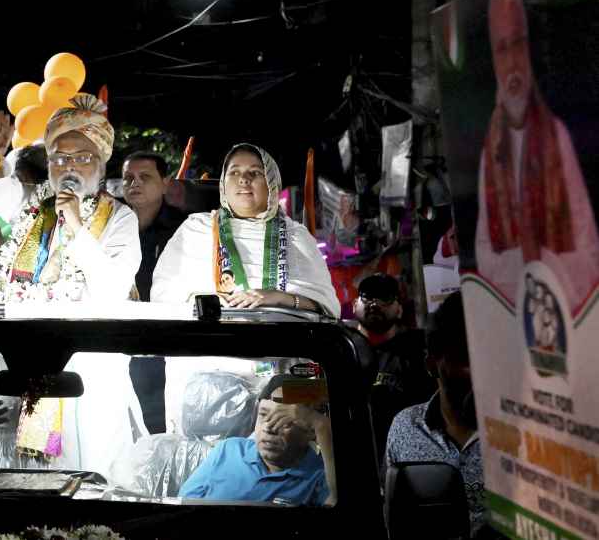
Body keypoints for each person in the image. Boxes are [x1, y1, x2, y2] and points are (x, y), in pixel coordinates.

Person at [475, 0, 599, 310]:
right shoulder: (491, 151)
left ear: (529, 51)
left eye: (518, 45)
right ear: (493, 57)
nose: (513, 63)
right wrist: (522, 259)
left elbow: (589, 252)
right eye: (503, 49)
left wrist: (543, 259)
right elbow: (483, 256)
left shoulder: (555, 136)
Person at [0, 94, 141, 304]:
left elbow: (112, 291)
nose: (70, 166)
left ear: (101, 166)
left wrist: (76, 226)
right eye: (60, 158)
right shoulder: (35, 203)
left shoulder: (120, 217)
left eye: (82, 157)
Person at [151, 143, 339, 317]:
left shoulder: (297, 235)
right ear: (224, 184)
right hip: (206, 344)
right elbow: (163, 293)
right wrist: (203, 300)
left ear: (272, 184)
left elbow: (327, 306)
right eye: (234, 172)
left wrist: (279, 298)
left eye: (255, 172)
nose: (243, 179)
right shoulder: (196, 228)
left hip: (282, 346)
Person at [385, 292, 485, 536]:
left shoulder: (529, 433)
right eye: (466, 358)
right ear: (432, 363)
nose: (483, 372)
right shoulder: (405, 428)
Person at [178, 374, 336, 506]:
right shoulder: (228, 449)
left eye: (283, 420)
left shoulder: (321, 476)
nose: (268, 427)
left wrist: (321, 424)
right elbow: (184, 501)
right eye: (263, 415)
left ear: (309, 432)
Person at [122, 151, 186, 434]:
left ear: (165, 182)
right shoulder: (113, 224)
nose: (134, 183)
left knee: (160, 427)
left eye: (145, 177)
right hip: (118, 338)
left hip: (165, 340)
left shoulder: (184, 228)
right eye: (128, 178)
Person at [353, 273, 435, 463]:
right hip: (356, 457)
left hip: (409, 457)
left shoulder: (418, 348)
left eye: (385, 298)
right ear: (354, 305)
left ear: (399, 309)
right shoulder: (341, 347)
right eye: (367, 296)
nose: (374, 303)